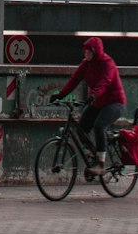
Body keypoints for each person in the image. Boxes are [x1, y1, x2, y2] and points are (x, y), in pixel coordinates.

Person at [51, 36, 126, 172]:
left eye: (89, 52)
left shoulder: (107, 63)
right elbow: (74, 80)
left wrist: (94, 94)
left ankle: (101, 164)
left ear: (96, 52)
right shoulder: (86, 64)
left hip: (114, 102)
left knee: (99, 126)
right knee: (82, 127)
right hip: (98, 102)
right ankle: (92, 153)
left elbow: (105, 81)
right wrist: (60, 95)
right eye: (85, 52)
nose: (86, 54)